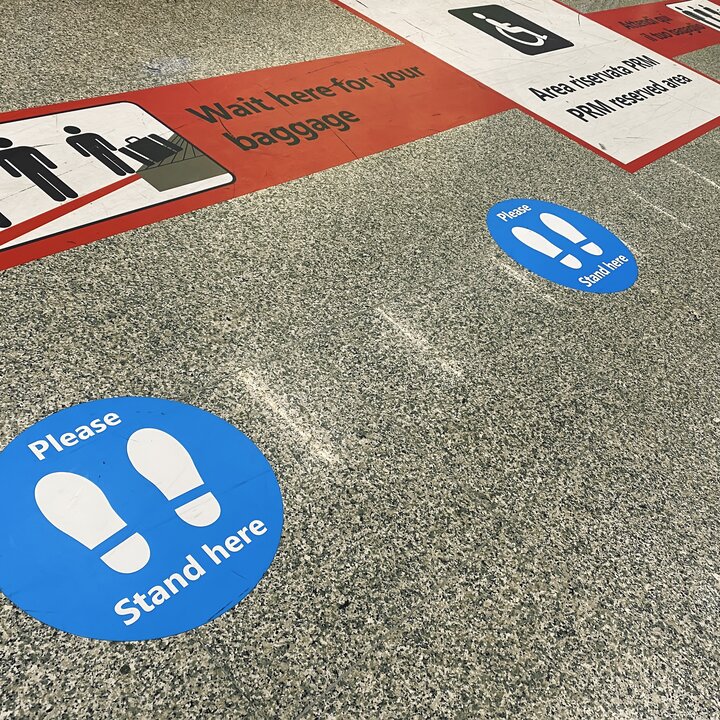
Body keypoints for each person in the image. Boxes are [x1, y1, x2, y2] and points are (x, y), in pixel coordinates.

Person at [0, 137, 77, 202]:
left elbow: (6, 165)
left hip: (28, 171)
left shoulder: (5, 153)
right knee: (52, 179)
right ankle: (68, 193)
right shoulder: (23, 148)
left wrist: (15, 173)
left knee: (41, 182)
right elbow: (39, 156)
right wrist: (50, 165)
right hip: (39, 168)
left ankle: (58, 196)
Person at [64, 126, 134, 176]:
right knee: (112, 159)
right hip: (101, 149)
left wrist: (85, 153)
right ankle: (126, 170)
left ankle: (121, 171)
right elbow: (102, 140)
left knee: (106, 160)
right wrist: (111, 148)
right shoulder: (89, 134)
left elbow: (77, 147)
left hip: (94, 151)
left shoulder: (72, 138)